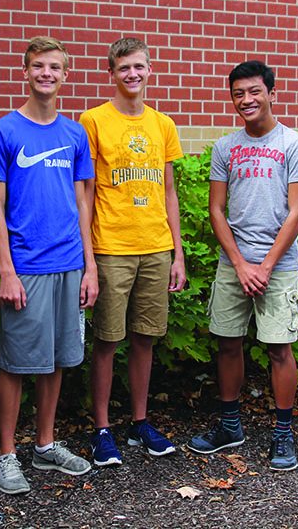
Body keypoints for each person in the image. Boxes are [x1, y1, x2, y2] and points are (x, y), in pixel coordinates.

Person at [0, 36, 99, 495]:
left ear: (65, 74)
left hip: (69, 263)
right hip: (26, 266)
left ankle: (45, 445)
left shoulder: (74, 134)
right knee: (15, 364)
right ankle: (7, 453)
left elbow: (83, 203)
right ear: (25, 71)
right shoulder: (4, 131)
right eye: (38, 66)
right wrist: (6, 270)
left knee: (56, 360)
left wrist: (90, 267)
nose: (46, 74)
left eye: (54, 67)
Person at [188, 60, 298, 472]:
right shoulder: (225, 147)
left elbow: (297, 214)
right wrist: (240, 264)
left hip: (277, 266)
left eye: (254, 92)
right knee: (227, 341)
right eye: (239, 93)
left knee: (279, 348)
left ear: (272, 94)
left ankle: (282, 434)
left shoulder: (293, 144)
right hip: (234, 264)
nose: (246, 100)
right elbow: (216, 210)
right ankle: (229, 426)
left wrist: (265, 265)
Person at [79, 37, 186, 466]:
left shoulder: (163, 125)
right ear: (112, 73)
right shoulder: (93, 121)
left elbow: (170, 192)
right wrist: (88, 258)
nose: (132, 75)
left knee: (145, 339)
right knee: (107, 341)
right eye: (124, 68)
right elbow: (84, 194)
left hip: (156, 247)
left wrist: (178, 253)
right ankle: (102, 429)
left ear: (149, 70)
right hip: (111, 248)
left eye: (139, 67)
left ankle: (140, 423)